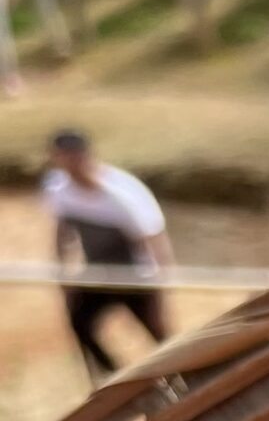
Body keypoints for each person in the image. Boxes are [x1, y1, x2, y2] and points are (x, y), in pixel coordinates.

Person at [41, 130, 172, 381]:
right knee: (80, 322)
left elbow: (153, 238)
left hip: (137, 277)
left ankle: (176, 379)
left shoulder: (122, 194)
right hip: (99, 275)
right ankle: (114, 378)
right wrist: (63, 270)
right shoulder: (58, 189)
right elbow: (62, 230)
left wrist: (160, 283)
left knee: (158, 334)